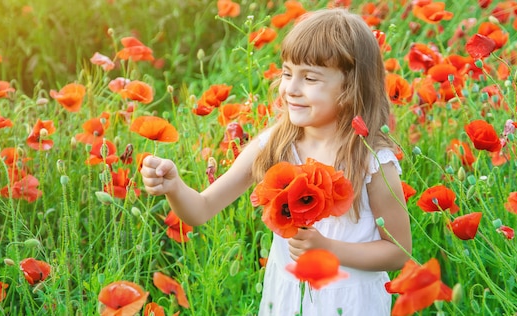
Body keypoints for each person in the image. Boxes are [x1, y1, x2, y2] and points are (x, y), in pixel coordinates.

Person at [141, 8, 412, 316]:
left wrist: (330, 249)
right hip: (285, 299)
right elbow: (200, 210)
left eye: (309, 78)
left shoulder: (371, 161)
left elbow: (398, 251)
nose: (291, 89)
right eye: (287, 73)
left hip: (351, 303)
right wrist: (174, 186)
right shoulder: (274, 144)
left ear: (351, 86)